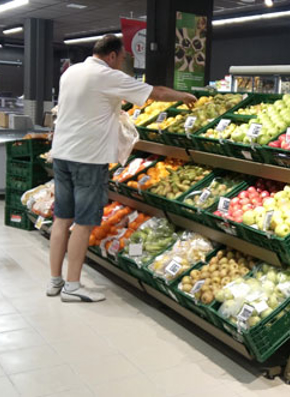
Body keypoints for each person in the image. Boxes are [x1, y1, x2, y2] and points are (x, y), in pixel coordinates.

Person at [48, 34, 197, 302]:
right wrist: (183, 95)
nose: (123, 64)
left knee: (62, 219)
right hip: (88, 158)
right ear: (112, 55)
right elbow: (157, 92)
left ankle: (55, 281)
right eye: (123, 58)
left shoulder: (71, 72)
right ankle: (72, 287)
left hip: (62, 154)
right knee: (83, 224)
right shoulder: (107, 76)